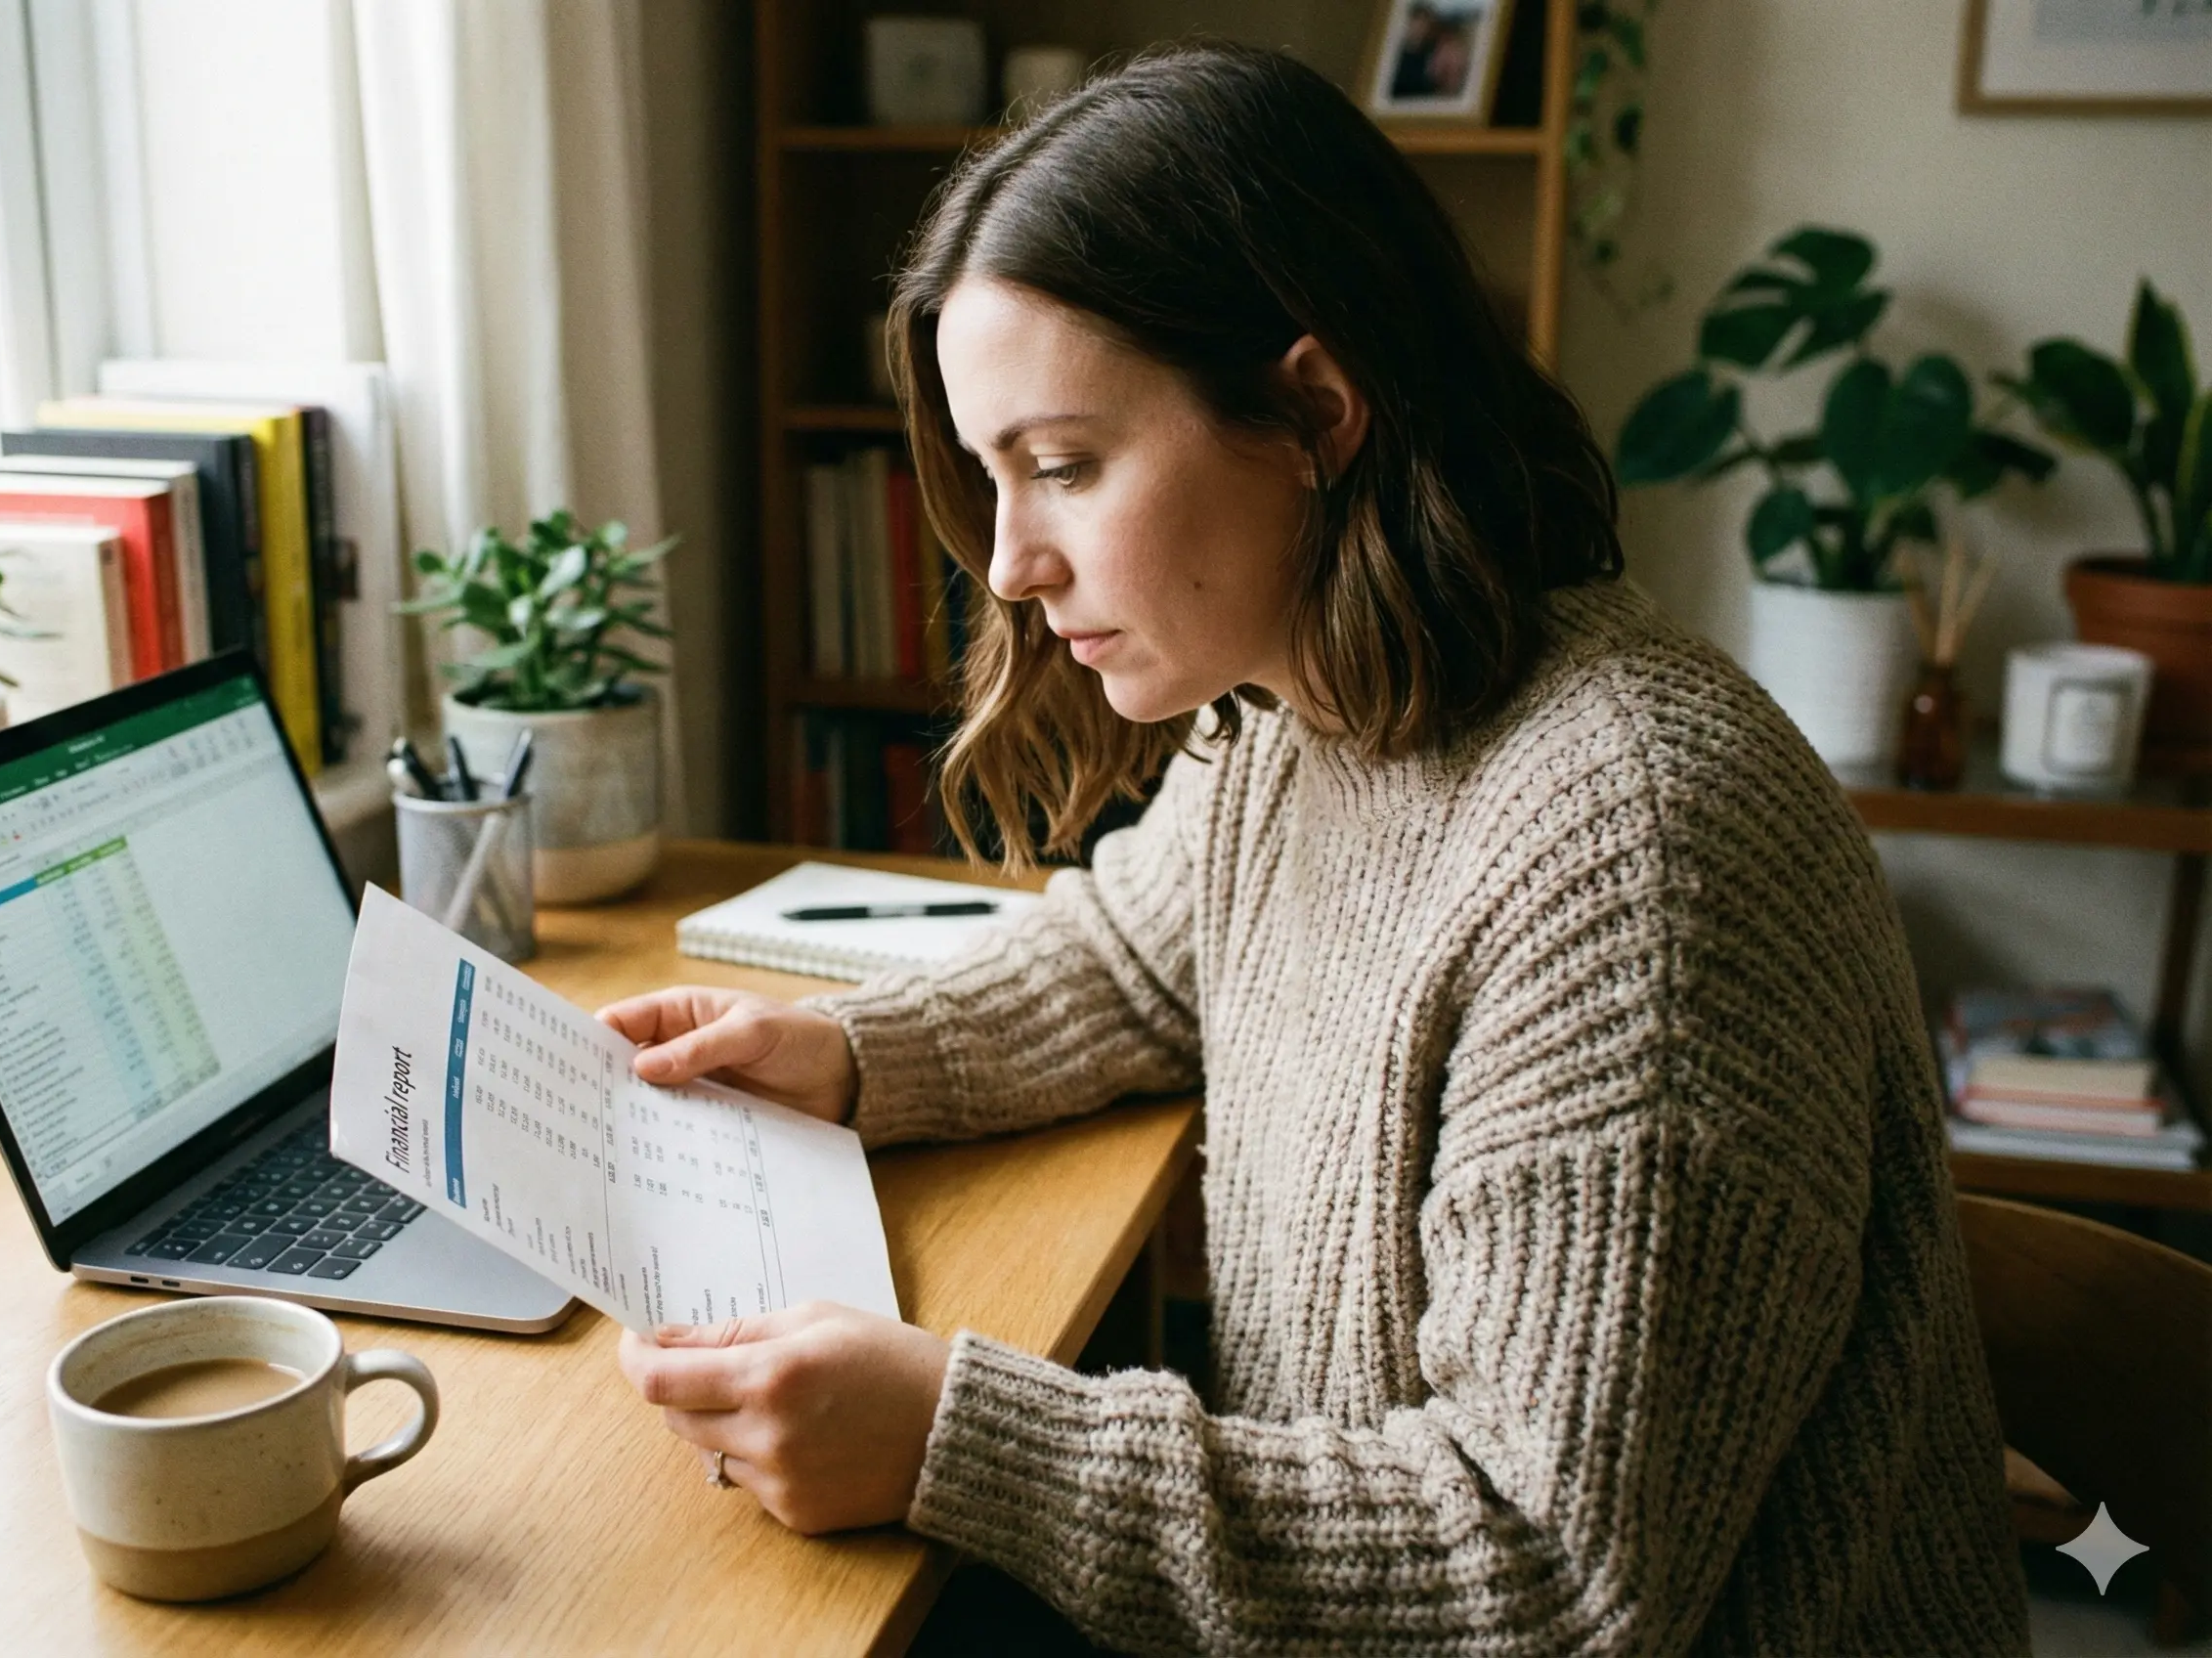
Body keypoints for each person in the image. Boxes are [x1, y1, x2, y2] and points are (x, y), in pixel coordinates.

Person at [602, 41, 2028, 1657]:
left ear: (1313, 412)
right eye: (993, 477)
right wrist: (844, 1052)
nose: (1007, 564)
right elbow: (1138, 955)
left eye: (1062, 466)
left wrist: (961, 1439)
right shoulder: (1317, 701)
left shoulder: (1638, 854)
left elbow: (1549, 1577)